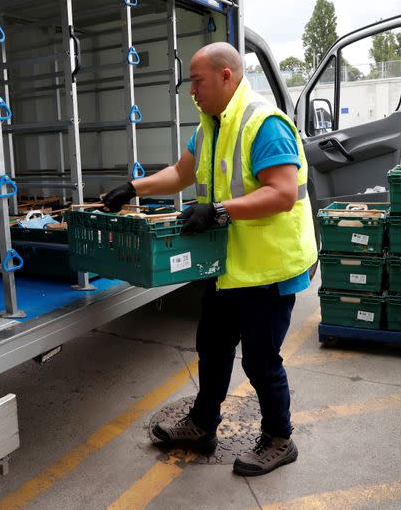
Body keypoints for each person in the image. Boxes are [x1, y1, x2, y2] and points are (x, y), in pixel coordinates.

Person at [101, 42, 318, 476]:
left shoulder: (264, 123)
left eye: (197, 81)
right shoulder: (209, 126)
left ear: (226, 76)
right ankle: (203, 426)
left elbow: (282, 193)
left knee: (260, 361)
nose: (191, 91)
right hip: (227, 267)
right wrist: (134, 187)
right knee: (213, 347)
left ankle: (279, 437)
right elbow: (183, 173)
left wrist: (218, 210)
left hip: (268, 269)